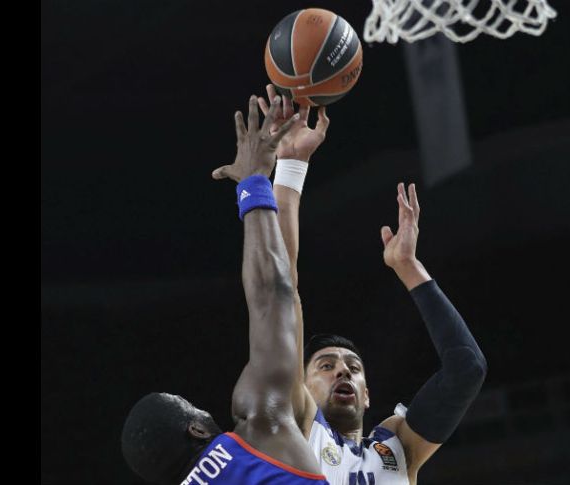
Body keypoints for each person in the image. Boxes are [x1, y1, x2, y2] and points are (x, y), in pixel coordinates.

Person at [217, 85, 488, 484]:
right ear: (300, 384)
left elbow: (466, 367)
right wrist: (290, 169)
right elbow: (281, 285)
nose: (343, 372)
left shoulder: (398, 449)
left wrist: (408, 267)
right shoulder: (295, 429)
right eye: (325, 366)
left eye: (354, 369)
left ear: (366, 394)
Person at [121, 94, 329, 485]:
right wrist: (253, 182)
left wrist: (289, 170)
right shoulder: (257, 429)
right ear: (196, 430)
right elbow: (275, 296)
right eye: (194, 409)